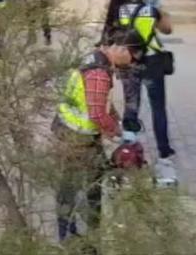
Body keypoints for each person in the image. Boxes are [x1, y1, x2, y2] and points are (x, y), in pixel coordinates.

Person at [54, 29, 144, 250]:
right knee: (80, 188)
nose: (131, 63)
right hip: (76, 139)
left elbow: (101, 102)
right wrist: (117, 132)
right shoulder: (98, 73)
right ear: (121, 49)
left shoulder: (98, 61)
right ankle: (75, 239)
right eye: (132, 58)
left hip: (77, 135)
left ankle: (78, 234)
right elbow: (96, 114)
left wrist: (118, 121)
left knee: (83, 185)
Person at [115, 0, 177, 184]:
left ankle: (128, 150)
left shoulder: (121, 9)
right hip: (152, 62)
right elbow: (167, 29)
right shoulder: (151, 10)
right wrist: (161, 9)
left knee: (131, 106)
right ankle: (163, 154)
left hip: (130, 62)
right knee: (158, 108)